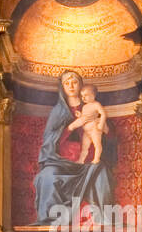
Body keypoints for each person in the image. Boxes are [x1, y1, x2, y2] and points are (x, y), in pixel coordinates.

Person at [33, 70, 115, 224]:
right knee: (47, 177)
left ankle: (104, 224)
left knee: (102, 173)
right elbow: (49, 140)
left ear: (81, 86)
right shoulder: (58, 111)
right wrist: (72, 126)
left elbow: (109, 135)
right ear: (62, 87)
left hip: (88, 162)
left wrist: (101, 126)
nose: (71, 86)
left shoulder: (92, 106)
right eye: (67, 83)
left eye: (74, 82)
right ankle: (50, 224)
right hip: (61, 163)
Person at [66, 84, 108, 165]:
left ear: (93, 96)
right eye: (82, 96)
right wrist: (80, 115)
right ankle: (81, 160)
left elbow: (103, 114)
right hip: (86, 131)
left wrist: (101, 125)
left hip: (94, 129)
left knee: (97, 144)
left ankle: (96, 159)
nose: (83, 98)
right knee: (84, 147)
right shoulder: (84, 107)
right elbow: (85, 117)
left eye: (86, 95)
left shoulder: (96, 104)